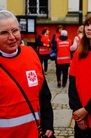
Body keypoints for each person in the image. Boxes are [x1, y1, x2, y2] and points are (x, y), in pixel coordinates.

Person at [0, 10, 54, 138]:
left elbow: (44, 94)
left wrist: (48, 124)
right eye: (4, 33)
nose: (12, 37)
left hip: (35, 132)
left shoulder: (31, 54)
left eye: (15, 30)